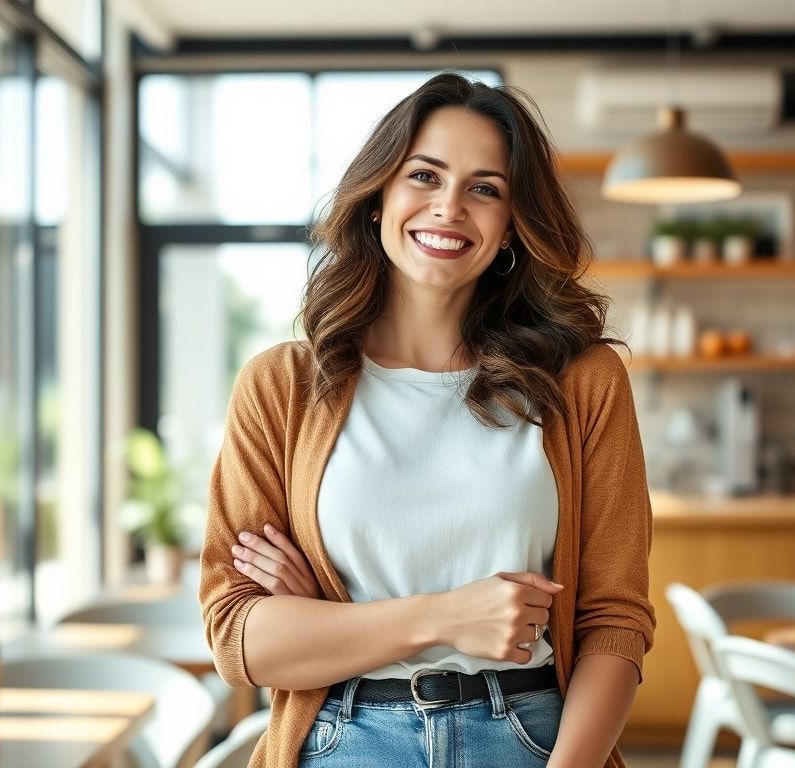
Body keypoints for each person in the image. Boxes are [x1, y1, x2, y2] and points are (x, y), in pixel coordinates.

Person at [198, 72, 654, 768]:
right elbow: (239, 638)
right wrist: (447, 617)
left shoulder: (584, 381)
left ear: (511, 225)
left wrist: (328, 622)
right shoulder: (280, 387)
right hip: (344, 741)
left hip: (534, 741)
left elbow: (614, 622)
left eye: (485, 188)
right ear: (378, 196)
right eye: (424, 175)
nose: (449, 207)